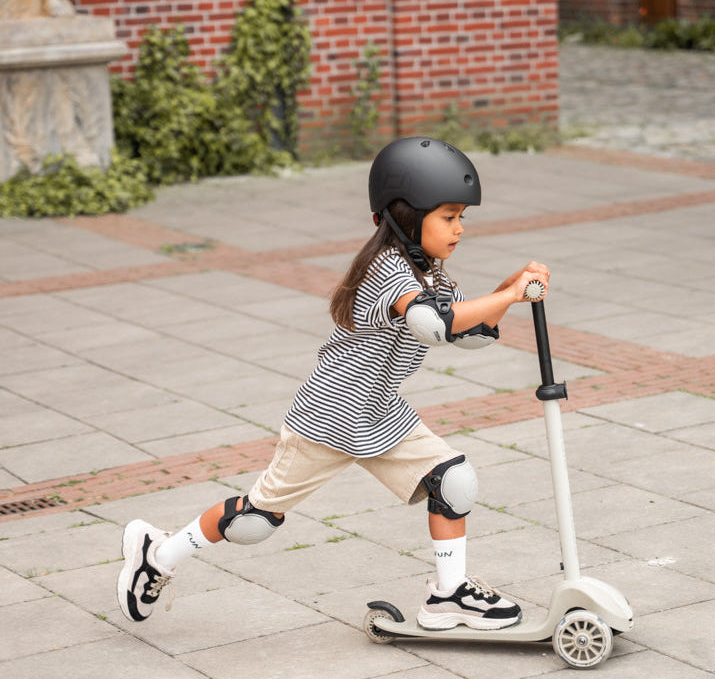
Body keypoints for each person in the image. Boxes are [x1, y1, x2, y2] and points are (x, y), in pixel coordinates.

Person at [117, 136, 549, 631]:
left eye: (461, 217)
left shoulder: (433, 275)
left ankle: (448, 595)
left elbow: (469, 332)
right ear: (405, 217)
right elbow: (434, 325)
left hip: (379, 412)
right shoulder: (388, 271)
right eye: (448, 216)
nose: (459, 228)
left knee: (453, 481)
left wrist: (509, 291)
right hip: (328, 418)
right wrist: (509, 293)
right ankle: (158, 554)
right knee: (256, 522)